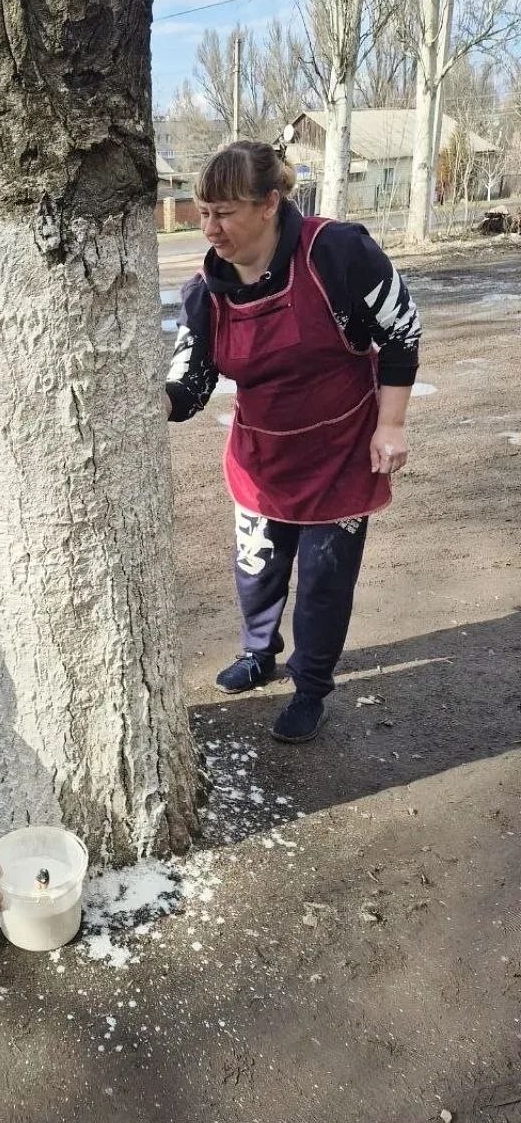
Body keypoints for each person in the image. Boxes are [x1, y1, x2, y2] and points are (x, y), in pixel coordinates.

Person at [165, 142, 421, 745]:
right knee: (257, 572)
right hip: (262, 457)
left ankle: (310, 688)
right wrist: (156, 405)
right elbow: (192, 374)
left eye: (224, 212)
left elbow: (403, 331)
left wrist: (392, 424)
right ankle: (259, 654)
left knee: (325, 583)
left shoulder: (337, 254)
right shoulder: (208, 292)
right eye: (204, 212)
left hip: (341, 456)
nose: (210, 228)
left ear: (270, 204)